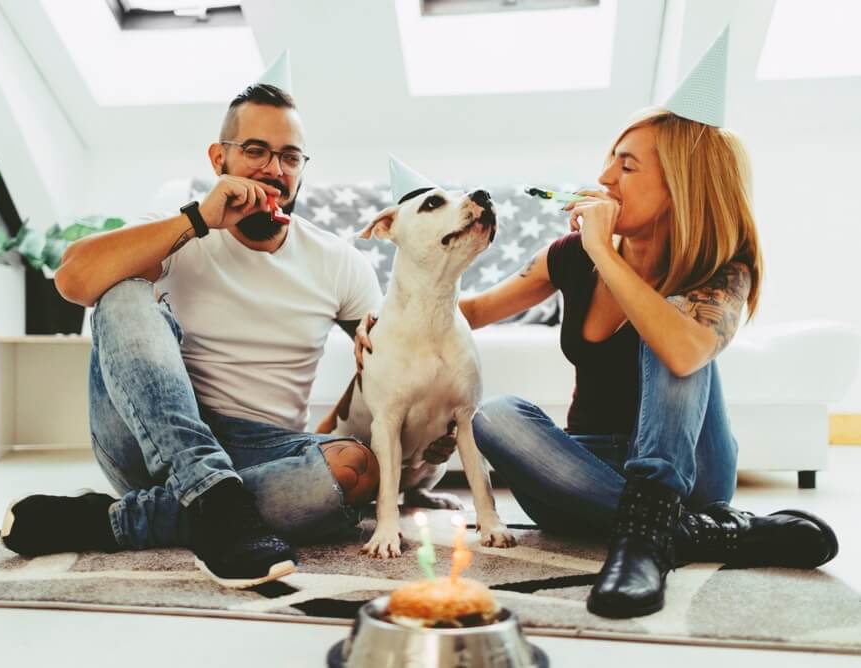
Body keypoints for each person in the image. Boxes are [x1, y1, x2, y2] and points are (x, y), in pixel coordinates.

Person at [354, 31, 838, 618]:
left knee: (674, 327)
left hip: (693, 471)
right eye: (609, 158)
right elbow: (471, 311)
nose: (605, 177)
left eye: (627, 166)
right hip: (589, 468)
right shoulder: (567, 255)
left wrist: (605, 253)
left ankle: (649, 531)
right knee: (496, 416)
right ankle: (693, 534)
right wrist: (382, 319)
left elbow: (685, 355)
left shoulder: (718, 268)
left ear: (680, 183)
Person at [0, 56, 383, 589]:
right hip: (151, 437)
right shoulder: (178, 231)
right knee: (124, 292)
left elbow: (385, 355)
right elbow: (71, 280)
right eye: (255, 151)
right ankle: (214, 497)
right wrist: (198, 220)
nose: (274, 169)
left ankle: (115, 521)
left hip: (261, 448)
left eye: (289, 156)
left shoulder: (339, 260)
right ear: (219, 158)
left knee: (361, 469)